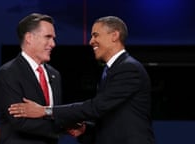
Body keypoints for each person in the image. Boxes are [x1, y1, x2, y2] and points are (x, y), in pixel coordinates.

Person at [8, 16, 156, 144]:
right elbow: (111, 118)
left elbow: (97, 107)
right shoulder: (112, 70)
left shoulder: (128, 69)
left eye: (96, 35)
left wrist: (45, 111)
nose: (91, 41)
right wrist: (85, 130)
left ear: (114, 35)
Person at [0, 13, 84, 144]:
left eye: (53, 38)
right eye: (48, 37)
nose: (53, 44)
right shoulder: (9, 73)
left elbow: (55, 113)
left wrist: (69, 122)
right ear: (29, 38)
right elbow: (19, 122)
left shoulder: (55, 74)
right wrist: (63, 126)